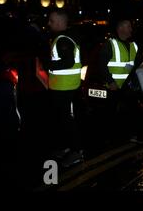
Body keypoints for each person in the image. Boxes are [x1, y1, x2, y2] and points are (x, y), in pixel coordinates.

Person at [44, 9, 84, 168]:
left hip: (64, 87)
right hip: (67, 85)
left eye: (51, 21)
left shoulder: (63, 40)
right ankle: (66, 147)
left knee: (66, 120)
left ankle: (76, 152)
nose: (49, 23)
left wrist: (47, 64)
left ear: (60, 23)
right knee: (63, 119)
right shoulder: (66, 38)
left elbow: (68, 62)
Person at [96, 17, 143, 143]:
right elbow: (101, 65)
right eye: (128, 26)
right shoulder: (110, 44)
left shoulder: (134, 45)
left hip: (127, 85)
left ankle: (133, 136)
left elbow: (137, 64)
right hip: (114, 86)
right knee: (111, 113)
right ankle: (110, 138)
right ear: (120, 28)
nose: (131, 29)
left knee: (133, 111)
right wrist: (110, 82)